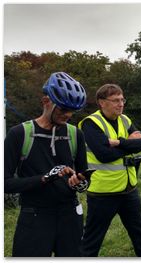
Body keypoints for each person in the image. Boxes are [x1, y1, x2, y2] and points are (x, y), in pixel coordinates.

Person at [4, 72, 90, 257]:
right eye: (62, 109)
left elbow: (84, 175)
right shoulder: (19, 134)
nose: (67, 115)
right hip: (34, 215)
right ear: (46, 101)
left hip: (69, 216)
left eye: (71, 111)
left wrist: (80, 182)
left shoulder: (75, 134)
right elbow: (5, 183)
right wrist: (44, 178)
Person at [78, 84, 141, 257]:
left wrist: (118, 142)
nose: (120, 104)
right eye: (115, 100)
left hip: (129, 189)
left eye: (122, 100)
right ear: (102, 103)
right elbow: (104, 154)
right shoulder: (91, 123)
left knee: (140, 235)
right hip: (104, 192)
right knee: (92, 241)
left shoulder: (125, 120)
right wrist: (129, 143)